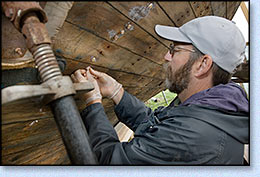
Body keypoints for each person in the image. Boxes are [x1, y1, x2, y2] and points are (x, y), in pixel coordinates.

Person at [71, 16, 248, 165]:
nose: (166, 56)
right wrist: (117, 92)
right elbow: (157, 126)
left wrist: (93, 102)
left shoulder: (194, 136)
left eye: (174, 50)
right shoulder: (213, 107)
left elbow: (110, 161)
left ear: (202, 64)